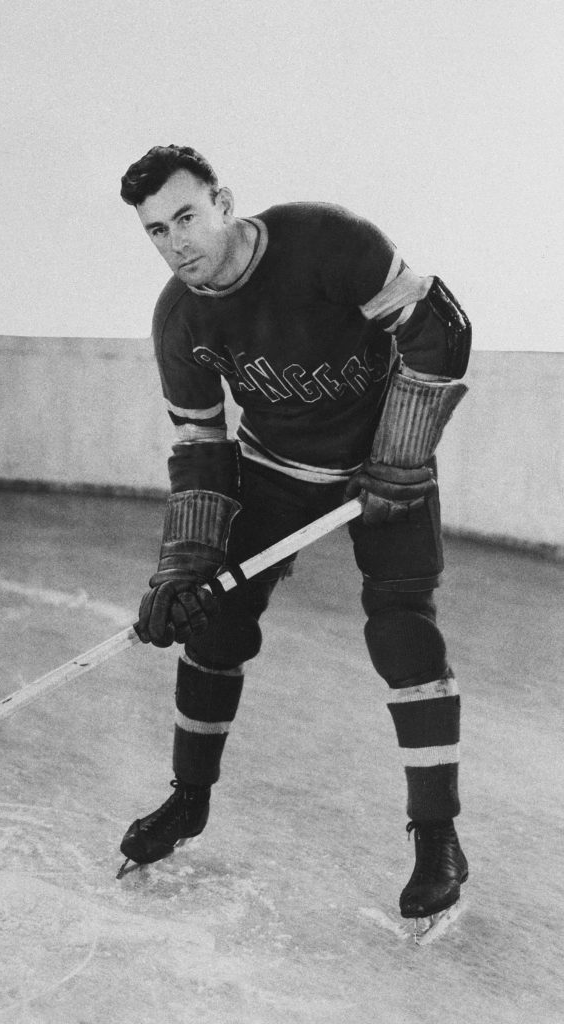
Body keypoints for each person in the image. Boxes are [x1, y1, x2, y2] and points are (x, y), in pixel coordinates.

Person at [117, 144, 471, 924]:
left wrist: (400, 456)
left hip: (383, 469)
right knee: (212, 623)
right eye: (155, 231)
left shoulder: (324, 241)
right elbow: (201, 444)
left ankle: (436, 837)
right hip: (274, 473)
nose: (176, 242)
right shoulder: (178, 318)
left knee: (404, 635)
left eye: (185, 216)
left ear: (223, 201)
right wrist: (182, 568)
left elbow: (436, 327)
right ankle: (188, 800)